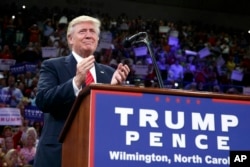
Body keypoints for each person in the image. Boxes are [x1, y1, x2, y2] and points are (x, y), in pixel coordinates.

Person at [33, 15, 130, 167]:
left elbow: (116, 119)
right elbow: (43, 101)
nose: (88, 35)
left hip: (98, 153)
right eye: (82, 31)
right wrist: (76, 81)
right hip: (60, 153)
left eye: (92, 31)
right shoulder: (52, 66)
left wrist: (114, 91)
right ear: (70, 39)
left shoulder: (110, 73)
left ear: (97, 39)